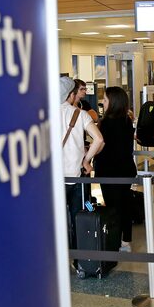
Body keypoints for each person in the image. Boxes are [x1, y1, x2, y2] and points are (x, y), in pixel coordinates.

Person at [61, 76, 105, 248]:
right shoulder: (80, 114)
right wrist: (86, 160)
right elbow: (99, 139)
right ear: (71, 95)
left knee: (57, 219)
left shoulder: (45, 113)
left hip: (55, 179)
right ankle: (80, 259)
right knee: (79, 215)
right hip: (77, 178)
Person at [94, 87, 137, 253]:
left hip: (108, 171)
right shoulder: (127, 121)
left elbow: (101, 145)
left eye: (105, 100)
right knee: (125, 205)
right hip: (125, 169)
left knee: (111, 207)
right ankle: (126, 241)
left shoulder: (104, 123)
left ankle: (113, 239)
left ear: (113, 102)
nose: (102, 103)